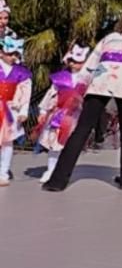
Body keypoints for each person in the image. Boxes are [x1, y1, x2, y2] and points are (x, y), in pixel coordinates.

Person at [44, 12, 122, 191]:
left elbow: (90, 64)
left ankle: (57, 181)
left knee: (82, 128)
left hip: (101, 80)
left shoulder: (108, 38)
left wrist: (81, 85)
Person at [34, 44, 91, 184]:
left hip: (76, 116)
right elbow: (51, 94)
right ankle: (50, 169)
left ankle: (63, 170)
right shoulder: (60, 78)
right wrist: (43, 110)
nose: (74, 64)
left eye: (78, 61)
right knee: (54, 143)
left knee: (70, 144)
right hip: (58, 114)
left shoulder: (89, 79)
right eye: (72, 60)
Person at [0, 35, 31, 187]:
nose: (12, 57)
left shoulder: (21, 73)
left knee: (7, 143)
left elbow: (26, 93)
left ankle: (3, 172)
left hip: (10, 111)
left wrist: (24, 111)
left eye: (15, 54)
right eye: (9, 53)